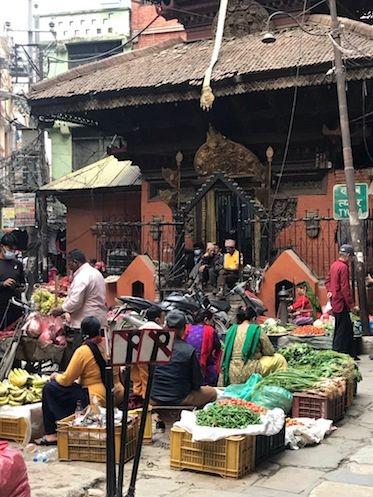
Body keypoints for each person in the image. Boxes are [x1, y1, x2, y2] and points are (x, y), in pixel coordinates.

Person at [36, 316, 124, 445]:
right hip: (116, 392)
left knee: (50, 389)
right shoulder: (109, 344)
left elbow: (66, 380)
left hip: (97, 397)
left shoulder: (83, 350)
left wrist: (55, 376)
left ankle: (52, 435)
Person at [151, 310, 217, 407]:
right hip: (179, 398)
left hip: (154, 397)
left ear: (166, 327)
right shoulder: (188, 350)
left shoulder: (154, 347)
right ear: (184, 329)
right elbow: (197, 383)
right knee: (212, 393)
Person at [52, 249, 107, 354]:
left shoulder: (83, 276)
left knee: (81, 355)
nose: (69, 267)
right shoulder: (94, 272)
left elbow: (76, 301)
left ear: (76, 262)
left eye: (70, 264)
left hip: (85, 323)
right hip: (97, 320)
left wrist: (61, 309)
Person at [222, 307, 287, 386]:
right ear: (253, 318)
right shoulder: (256, 329)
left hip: (231, 371)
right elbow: (270, 352)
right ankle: (280, 385)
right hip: (250, 371)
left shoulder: (231, 330)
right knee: (279, 358)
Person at [130, 306, 165, 408]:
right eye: (163, 318)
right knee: (149, 380)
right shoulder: (161, 331)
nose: (164, 321)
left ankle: (138, 399)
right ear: (157, 319)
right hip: (154, 360)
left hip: (138, 358)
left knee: (139, 378)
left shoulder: (139, 330)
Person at [325, 244, 357, 358]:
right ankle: (337, 353)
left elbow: (327, 280)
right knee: (342, 329)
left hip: (335, 301)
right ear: (348, 255)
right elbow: (345, 288)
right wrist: (351, 305)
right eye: (351, 256)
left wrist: (330, 291)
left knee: (347, 327)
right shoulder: (343, 267)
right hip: (341, 303)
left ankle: (351, 353)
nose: (352, 259)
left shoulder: (334, 265)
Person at [183, 309, 222, 386]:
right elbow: (218, 346)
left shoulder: (187, 328)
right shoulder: (209, 330)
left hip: (185, 367)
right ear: (206, 319)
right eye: (211, 321)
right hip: (202, 367)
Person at [0, 232, 26, 330]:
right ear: (2, 247)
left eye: (14, 249)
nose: (12, 251)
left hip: (15, 308)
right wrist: (3, 284)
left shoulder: (17, 264)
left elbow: (22, 282)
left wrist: (22, 288)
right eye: (10, 249)